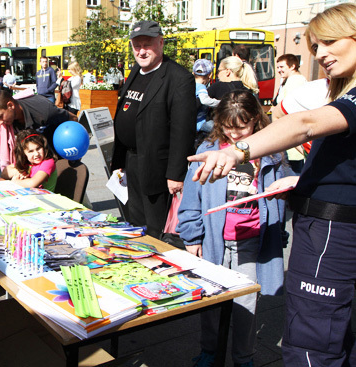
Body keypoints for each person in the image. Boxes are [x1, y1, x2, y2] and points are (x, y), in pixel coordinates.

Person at [187, 4, 356, 365]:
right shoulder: (341, 92)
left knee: (313, 341)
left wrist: (238, 152)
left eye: (329, 42)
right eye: (315, 47)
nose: (321, 54)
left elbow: (306, 123)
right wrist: (304, 179)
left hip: (330, 234)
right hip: (316, 227)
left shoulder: (348, 101)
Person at [177, 90, 287, 367]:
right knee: (211, 302)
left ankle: (243, 357)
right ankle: (210, 351)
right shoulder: (208, 150)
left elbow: (287, 192)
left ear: (255, 121)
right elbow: (191, 200)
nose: (235, 135)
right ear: (219, 123)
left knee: (246, 305)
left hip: (251, 241)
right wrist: (192, 236)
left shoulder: (271, 153)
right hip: (214, 239)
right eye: (228, 128)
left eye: (242, 127)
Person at [110, 20, 196, 238]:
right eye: (136, 45)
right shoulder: (135, 72)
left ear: (161, 43)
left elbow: (182, 130)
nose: (141, 51)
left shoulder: (179, 78)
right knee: (134, 224)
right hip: (132, 162)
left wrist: (176, 175)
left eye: (147, 45)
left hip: (157, 169)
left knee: (156, 229)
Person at [0, 90, 75, 173]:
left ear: (10, 105)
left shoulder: (43, 110)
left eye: (0, 116)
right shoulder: (0, 119)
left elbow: (73, 118)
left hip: (54, 159)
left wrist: (74, 148)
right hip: (30, 163)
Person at [272, 54, 308, 174]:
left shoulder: (295, 81)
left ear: (292, 66)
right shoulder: (289, 80)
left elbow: (292, 109)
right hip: (288, 135)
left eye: (282, 66)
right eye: (277, 67)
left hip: (291, 136)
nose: (279, 70)